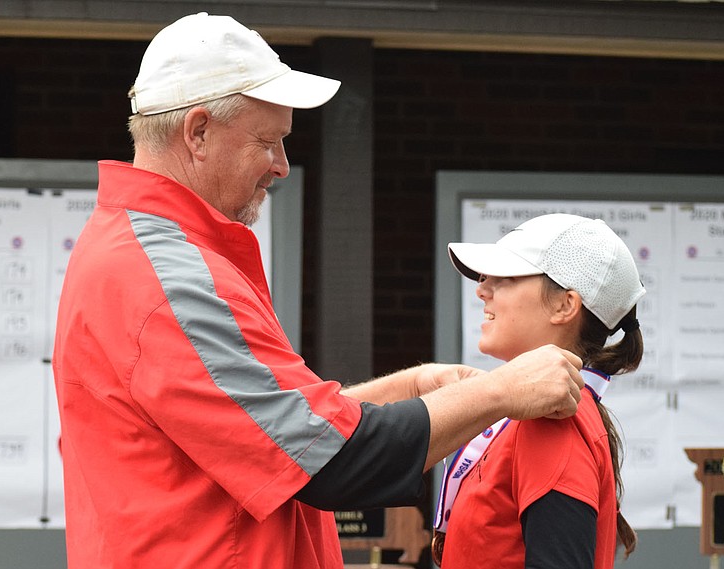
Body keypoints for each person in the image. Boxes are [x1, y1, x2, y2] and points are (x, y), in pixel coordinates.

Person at [52, 13, 585, 569]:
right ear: (199, 132)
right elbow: (325, 461)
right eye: (268, 141)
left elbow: (264, 430)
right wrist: (500, 392)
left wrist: (412, 388)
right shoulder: (169, 282)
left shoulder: (137, 254)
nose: (281, 166)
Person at [433, 213, 645, 568]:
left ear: (565, 305)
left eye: (506, 277)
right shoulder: (537, 412)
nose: (482, 289)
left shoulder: (553, 420)